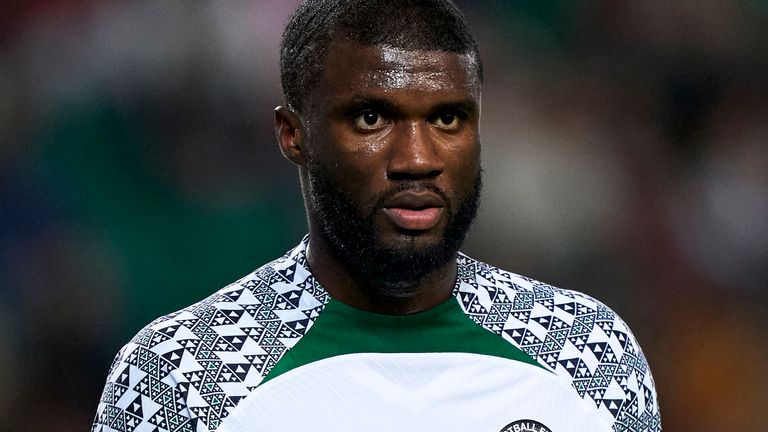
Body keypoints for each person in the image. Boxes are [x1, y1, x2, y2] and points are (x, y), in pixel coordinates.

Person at [92, 1, 661, 431]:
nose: (418, 159)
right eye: (371, 118)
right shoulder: (181, 377)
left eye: (448, 119)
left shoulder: (587, 352)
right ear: (293, 134)